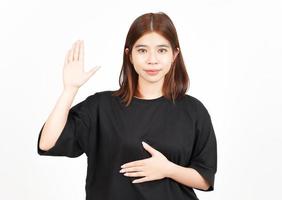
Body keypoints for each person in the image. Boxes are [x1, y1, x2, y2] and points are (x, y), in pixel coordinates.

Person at [37, 12, 217, 200]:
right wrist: (69, 90)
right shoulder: (101, 107)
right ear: (129, 54)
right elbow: (47, 143)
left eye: (162, 50)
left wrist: (168, 169)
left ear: (174, 55)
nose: (152, 59)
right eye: (142, 50)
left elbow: (205, 179)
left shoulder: (193, 111)